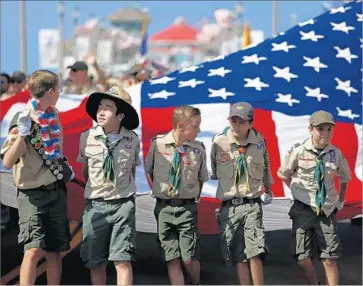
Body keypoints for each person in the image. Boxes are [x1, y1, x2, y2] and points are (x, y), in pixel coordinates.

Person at [0, 69, 74, 285]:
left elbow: (55, 150)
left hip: (55, 191)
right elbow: (7, 161)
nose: (60, 93)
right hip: (32, 195)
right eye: (59, 89)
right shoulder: (22, 118)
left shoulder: (54, 114)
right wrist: (22, 135)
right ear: (51, 91)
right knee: (32, 250)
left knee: (55, 251)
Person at [277, 110, 351, 285]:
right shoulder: (298, 150)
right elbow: (283, 173)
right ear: (310, 129)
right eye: (320, 129)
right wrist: (296, 191)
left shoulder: (336, 153)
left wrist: (340, 200)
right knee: (302, 256)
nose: (325, 133)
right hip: (303, 208)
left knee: (330, 257)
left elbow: (345, 178)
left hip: (326, 209)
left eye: (328, 129)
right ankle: (314, 283)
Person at [77, 86, 141, 285]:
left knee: (122, 259)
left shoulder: (132, 139)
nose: (101, 112)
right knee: (95, 261)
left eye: (107, 108)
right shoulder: (86, 137)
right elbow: (86, 171)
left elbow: (131, 170)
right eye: (99, 108)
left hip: (123, 205)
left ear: (120, 115)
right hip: (95, 205)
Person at [210, 102, 273, 285]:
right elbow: (215, 169)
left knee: (254, 251)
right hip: (230, 206)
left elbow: (266, 168)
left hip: (251, 203)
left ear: (251, 123)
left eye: (241, 122)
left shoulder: (259, 142)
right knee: (238, 254)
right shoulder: (219, 141)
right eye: (233, 121)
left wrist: (268, 190)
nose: (236, 126)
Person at [145, 105, 209, 285]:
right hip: (164, 208)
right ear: (181, 126)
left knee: (188, 257)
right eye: (195, 126)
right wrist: (163, 191)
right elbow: (149, 170)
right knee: (171, 256)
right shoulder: (157, 144)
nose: (199, 130)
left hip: (186, 208)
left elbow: (201, 178)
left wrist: (189, 194)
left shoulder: (198, 149)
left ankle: (196, 282)